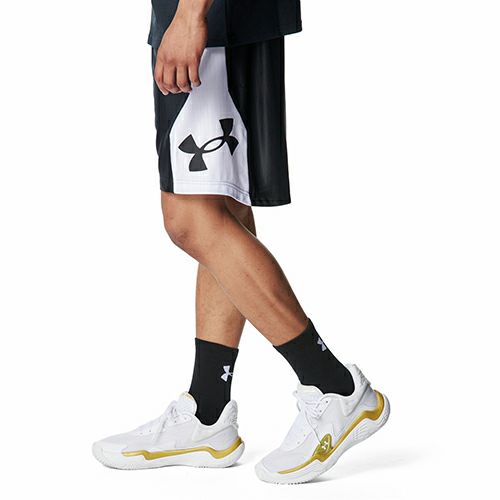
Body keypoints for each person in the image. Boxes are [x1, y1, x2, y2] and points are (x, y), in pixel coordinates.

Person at [92, 0, 390, 484]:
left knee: (189, 219)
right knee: (217, 206)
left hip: (213, 21)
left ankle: (334, 386)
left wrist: (190, 15)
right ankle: (207, 412)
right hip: (218, 19)